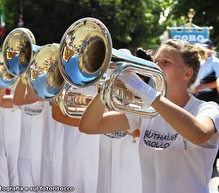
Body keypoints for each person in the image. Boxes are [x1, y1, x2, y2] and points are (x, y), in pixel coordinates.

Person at [79, 39, 219, 193]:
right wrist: (108, 83)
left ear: (187, 72)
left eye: (166, 62)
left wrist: (144, 90)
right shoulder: (146, 110)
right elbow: (89, 126)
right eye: (155, 61)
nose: (155, 67)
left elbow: (199, 134)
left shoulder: (207, 108)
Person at [191, 38, 219, 103]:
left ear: (211, 49)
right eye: (202, 47)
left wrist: (202, 87)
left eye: (206, 48)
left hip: (210, 96)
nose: (204, 50)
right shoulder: (200, 61)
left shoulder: (216, 62)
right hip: (196, 95)